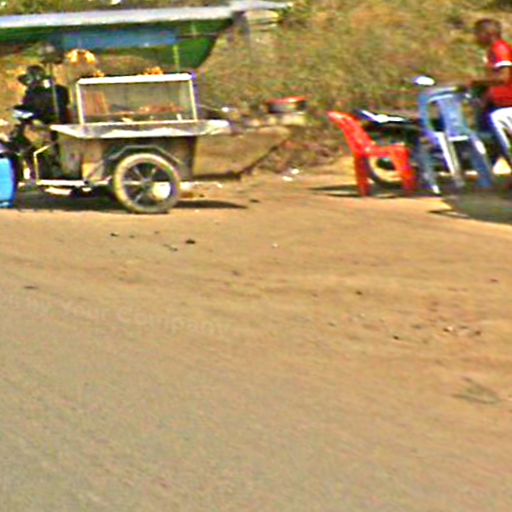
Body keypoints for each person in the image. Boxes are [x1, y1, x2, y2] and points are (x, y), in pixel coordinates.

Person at [470, 19, 512, 130]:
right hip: (497, 101)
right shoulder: (493, 51)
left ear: (487, 33)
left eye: (477, 34)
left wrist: (475, 82)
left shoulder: (500, 50)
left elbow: (503, 78)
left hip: (506, 102)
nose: (475, 38)